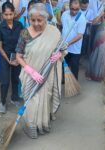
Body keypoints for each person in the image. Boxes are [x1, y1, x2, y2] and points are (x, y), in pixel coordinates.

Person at [16, 3, 68, 138]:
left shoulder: (54, 31)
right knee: (31, 103)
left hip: (47, 75)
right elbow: (18, 56)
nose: (36, 23)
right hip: (30, 76)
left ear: (46, 19)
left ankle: (42, 125)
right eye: (32, 20)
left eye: (40, 20)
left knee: (45, 100)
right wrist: (31, 71)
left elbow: (62, 49)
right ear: (28, 19)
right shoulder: (25, 33)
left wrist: (59, 55)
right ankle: (31, 127)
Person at [0, 1, 23, 113]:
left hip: (17, 55)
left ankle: (14, 98)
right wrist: (8, 60)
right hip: (5, 56)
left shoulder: (20, 25)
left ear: (14, 13)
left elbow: (23, 42)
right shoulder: (0, 27)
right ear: (2, 14)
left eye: (10, 14)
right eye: (6, 15)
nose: (8, 17)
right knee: (5, 81)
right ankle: (2, 102)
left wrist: (19, 57)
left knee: (16, 78)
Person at [61, 0, 86, 79]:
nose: (74, 11)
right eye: (72, 9)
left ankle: (74, 84)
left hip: (75, 49)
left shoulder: (82, 18)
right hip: (64, 47)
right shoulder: (64, 14)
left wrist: (68, 43)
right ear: (69, 6)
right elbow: (63, 27)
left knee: (74, 68)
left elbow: (79, 35)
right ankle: (64, 80)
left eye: (77, 9)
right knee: (64, 66)